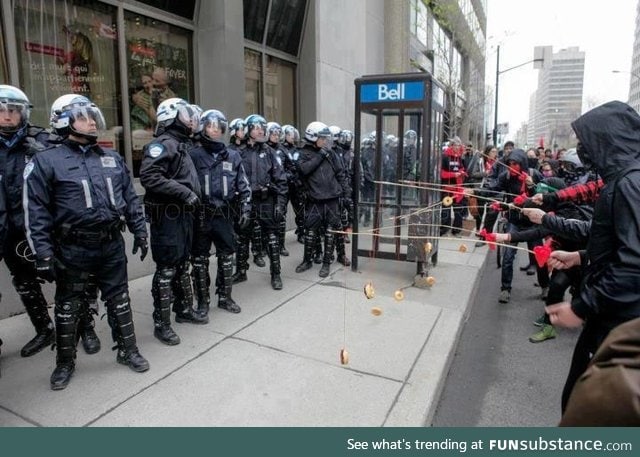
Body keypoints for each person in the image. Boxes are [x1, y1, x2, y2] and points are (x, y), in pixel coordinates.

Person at [24, 94, 149, 390]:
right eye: (83, 116)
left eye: (92, 116)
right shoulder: (46, 161)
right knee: (69, 305)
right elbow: (36, 212)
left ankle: (128, 350)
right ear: (64, 122)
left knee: (119, 299)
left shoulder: (110, 157)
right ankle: (65, 362)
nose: (92, 121)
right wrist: (42, 254)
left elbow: (130, 198)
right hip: (73, 247)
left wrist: (140, 230)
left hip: (111, 243)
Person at [543, 100, 640, 412]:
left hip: (618, 323)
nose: (583, 150)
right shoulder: (624, 179)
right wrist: (582, 257)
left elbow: (633, 267)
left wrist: (582, 307)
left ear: (606, 140)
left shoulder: (629, 184)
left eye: (587, 142)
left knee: (586, 408)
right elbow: (619, 242)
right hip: (614, 320)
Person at [140, 97, 207, 347]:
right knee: (167, 270)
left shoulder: (180, 144)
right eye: (186, 115)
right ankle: (162, 324)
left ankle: (183, 310)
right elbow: (149, 176)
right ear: (172, 117)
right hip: (168, 218)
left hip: (183, 217)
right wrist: (185, 193)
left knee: (181, 266)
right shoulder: (163, 144)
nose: (191, 120)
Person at [0, 85, 57, 357]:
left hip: (28, 227)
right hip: (1, 225)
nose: (7, 116)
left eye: (12, 111)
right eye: (1, 111)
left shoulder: (39, 140)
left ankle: (48, 329)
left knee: (29, 279)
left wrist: (43, 154)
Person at [189, 109, 251, 316]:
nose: (214, 130)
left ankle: (225, 297)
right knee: (199, 260)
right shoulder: (194, 155)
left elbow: (243, 184)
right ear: (203, 127)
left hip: (224, 214)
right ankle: (203, 301)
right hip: (201, 215)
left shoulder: (232, 155)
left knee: (226, 256)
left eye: (218, 127)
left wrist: (246, 208)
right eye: (210, 126)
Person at [232, 114, 287, 290]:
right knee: (242, 237)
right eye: (256, 127)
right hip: (246, 202)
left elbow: (281, 180)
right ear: (248, 130)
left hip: (266, 200)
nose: (261, 130)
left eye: (263, 127)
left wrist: (280, 203)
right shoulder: (237, 153)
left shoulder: (271, 153)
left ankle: (276, 274)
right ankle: (241, 271)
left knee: (272, 237)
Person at [295, 121, 349, 278]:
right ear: (313, 137)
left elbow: (340, 174)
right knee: (310, 231)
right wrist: (320, 155)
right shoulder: (303, 154)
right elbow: (304, 170)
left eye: (327, 138)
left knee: (331, 232)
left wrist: (346, 194)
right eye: (322, 138)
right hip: (314, 200)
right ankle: (307, 260)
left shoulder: (330, 153)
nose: (326, 141)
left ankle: (326, 263)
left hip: (332, 199)